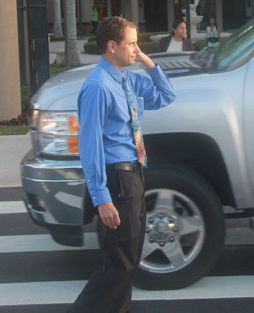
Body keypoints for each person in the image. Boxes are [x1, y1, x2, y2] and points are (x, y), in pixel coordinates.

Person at [69, 16, 176, 313]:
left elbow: (167, 95)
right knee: (121, 263)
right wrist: (101, 197)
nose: (136, 49)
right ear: (111, 45)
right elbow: (89, 146)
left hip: (134, 175)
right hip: (117, 179)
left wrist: (146, 61)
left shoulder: (126, 78)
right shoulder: (98, 87)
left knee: (129, 261)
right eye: (131, 43)